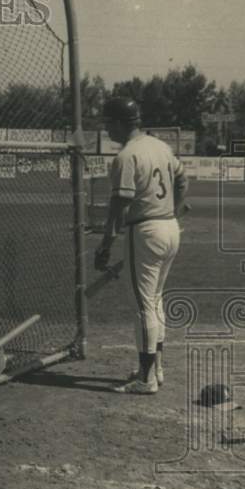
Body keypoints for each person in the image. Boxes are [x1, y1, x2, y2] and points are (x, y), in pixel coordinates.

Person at [95, 97, 188, 394]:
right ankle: (155, 369)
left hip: (146, 231)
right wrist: (176, 206)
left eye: (109, 123)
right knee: (155, 298)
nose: (107, 129)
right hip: (170, 227)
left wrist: (105, 245)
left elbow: (118, 207)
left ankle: (146, 379)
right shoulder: (159, 145)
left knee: (143, 304)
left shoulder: (127, 156)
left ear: (122, 123)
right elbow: (182, 179)